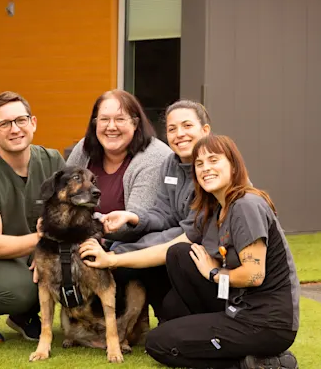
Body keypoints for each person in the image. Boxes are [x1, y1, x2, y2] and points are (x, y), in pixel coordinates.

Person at [79, 134, 299, 369]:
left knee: (159, 344)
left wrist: (213, 273)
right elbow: (166, 250)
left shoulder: (246, 205)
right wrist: (112, 259)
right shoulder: (215, 209)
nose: (206, 169)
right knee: (179, 257)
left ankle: (255, 363)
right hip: (237, 306)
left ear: (233, 166)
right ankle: (225, 345)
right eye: (200, 164)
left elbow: (254, 275)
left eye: (214, 160)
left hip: (265, 322)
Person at [0, 91, 65, 344]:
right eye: (4, 124)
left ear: (33, 123)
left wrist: (45, 251)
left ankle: (23, 316)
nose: (14, 129)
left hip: (39, 249)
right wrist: (42, 241)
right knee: (18, 292)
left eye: (21, 120)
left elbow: (68, 216)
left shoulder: (53, 161)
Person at [98, 100, 212, 320]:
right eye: (172, 129)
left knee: (127, 259)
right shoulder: (171, 163)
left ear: (205, 130)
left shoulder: (211, 171)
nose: (180, 134)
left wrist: (120, 255)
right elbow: (163, 213)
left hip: (206, 259)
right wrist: (132, 217)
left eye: (187, 126)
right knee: (123, 247)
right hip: (179, 248)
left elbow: (190, 233)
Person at [67, 89, 172, 241]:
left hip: (131, 251)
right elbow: (59, 199)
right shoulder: (84, 149)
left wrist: (72, 220)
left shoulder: (154, 156)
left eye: (120, 119)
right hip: (84, 242)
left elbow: (130, 227)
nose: (111, 127)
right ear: (95, 123)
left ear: (135, 123)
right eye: (104, 119)